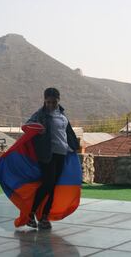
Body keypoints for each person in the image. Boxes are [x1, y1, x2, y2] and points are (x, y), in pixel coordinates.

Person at [26, 87, 79, 230]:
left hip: (61, 154)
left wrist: (73, 147)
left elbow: (68, 134)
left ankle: (44, 217)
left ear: (58, 100)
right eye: (48, 102)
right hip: (47, 154)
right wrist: (39, 128)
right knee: (48, 183)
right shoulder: (41, 114)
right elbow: (26, 126)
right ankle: (30, 214)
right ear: (44, 100)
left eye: (53, 102)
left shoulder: (63, 116)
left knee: (53, 186)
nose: (50, 105)